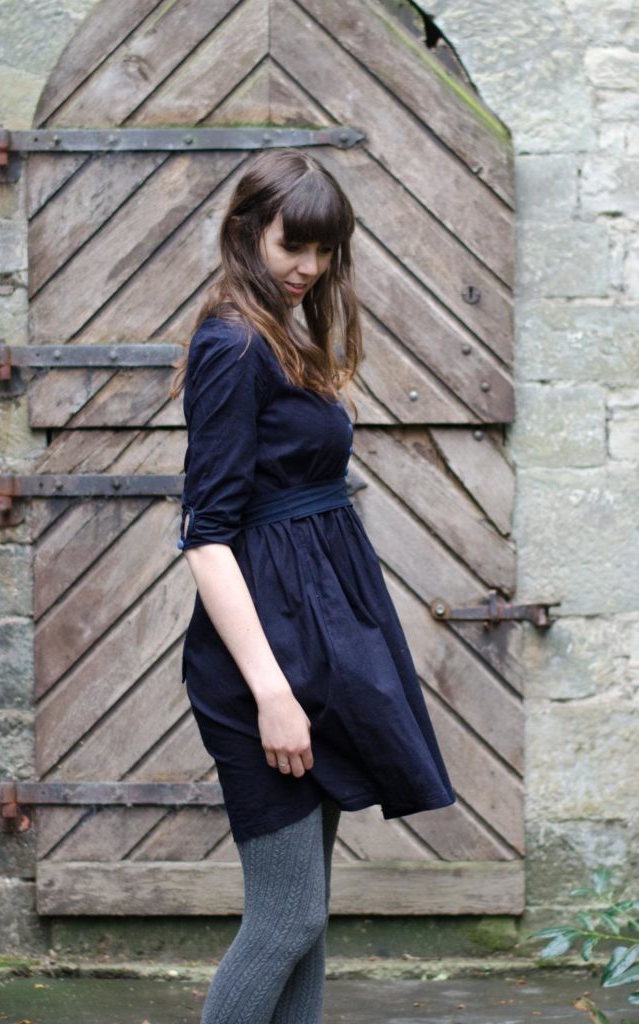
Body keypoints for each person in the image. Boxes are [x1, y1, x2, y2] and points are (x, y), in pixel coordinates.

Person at [173, 148, 456, 1024]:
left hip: (314, 646)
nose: (309, 268)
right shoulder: (232, 344)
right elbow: (206, 537)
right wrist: (273, 695)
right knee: (285, 916)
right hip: (267, 667)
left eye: (325, 251)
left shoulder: (280, 336)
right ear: (248, 232)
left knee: (308, 923)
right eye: (294, 246)